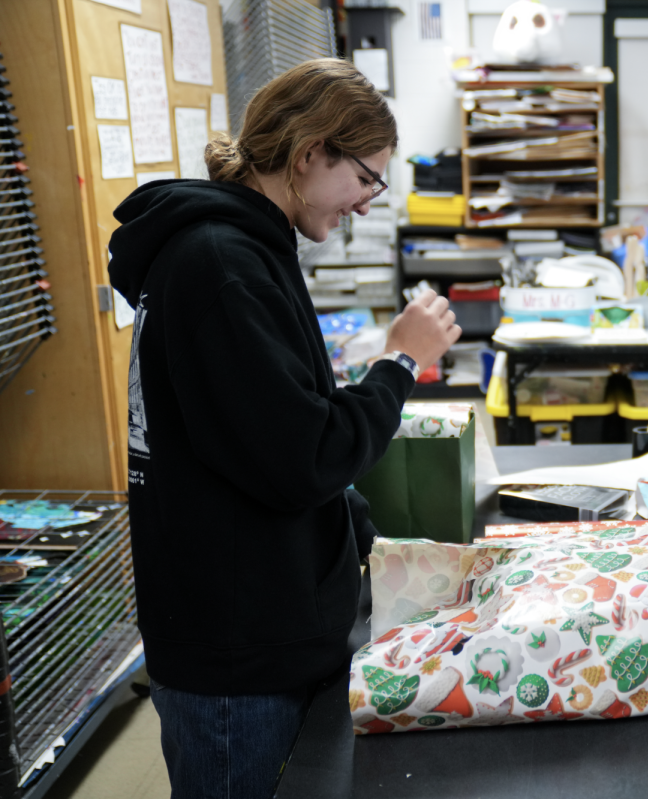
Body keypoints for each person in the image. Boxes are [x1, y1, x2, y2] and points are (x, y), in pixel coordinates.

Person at [108, 59, 461, 799]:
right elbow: (306, 455)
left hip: (259, 629)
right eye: (366, 178)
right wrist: (400, 362)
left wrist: (364, 540)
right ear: (309, 153)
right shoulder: (219, 264)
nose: (368, 203)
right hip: (240, 659)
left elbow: (273, 430)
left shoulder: (246, 250)